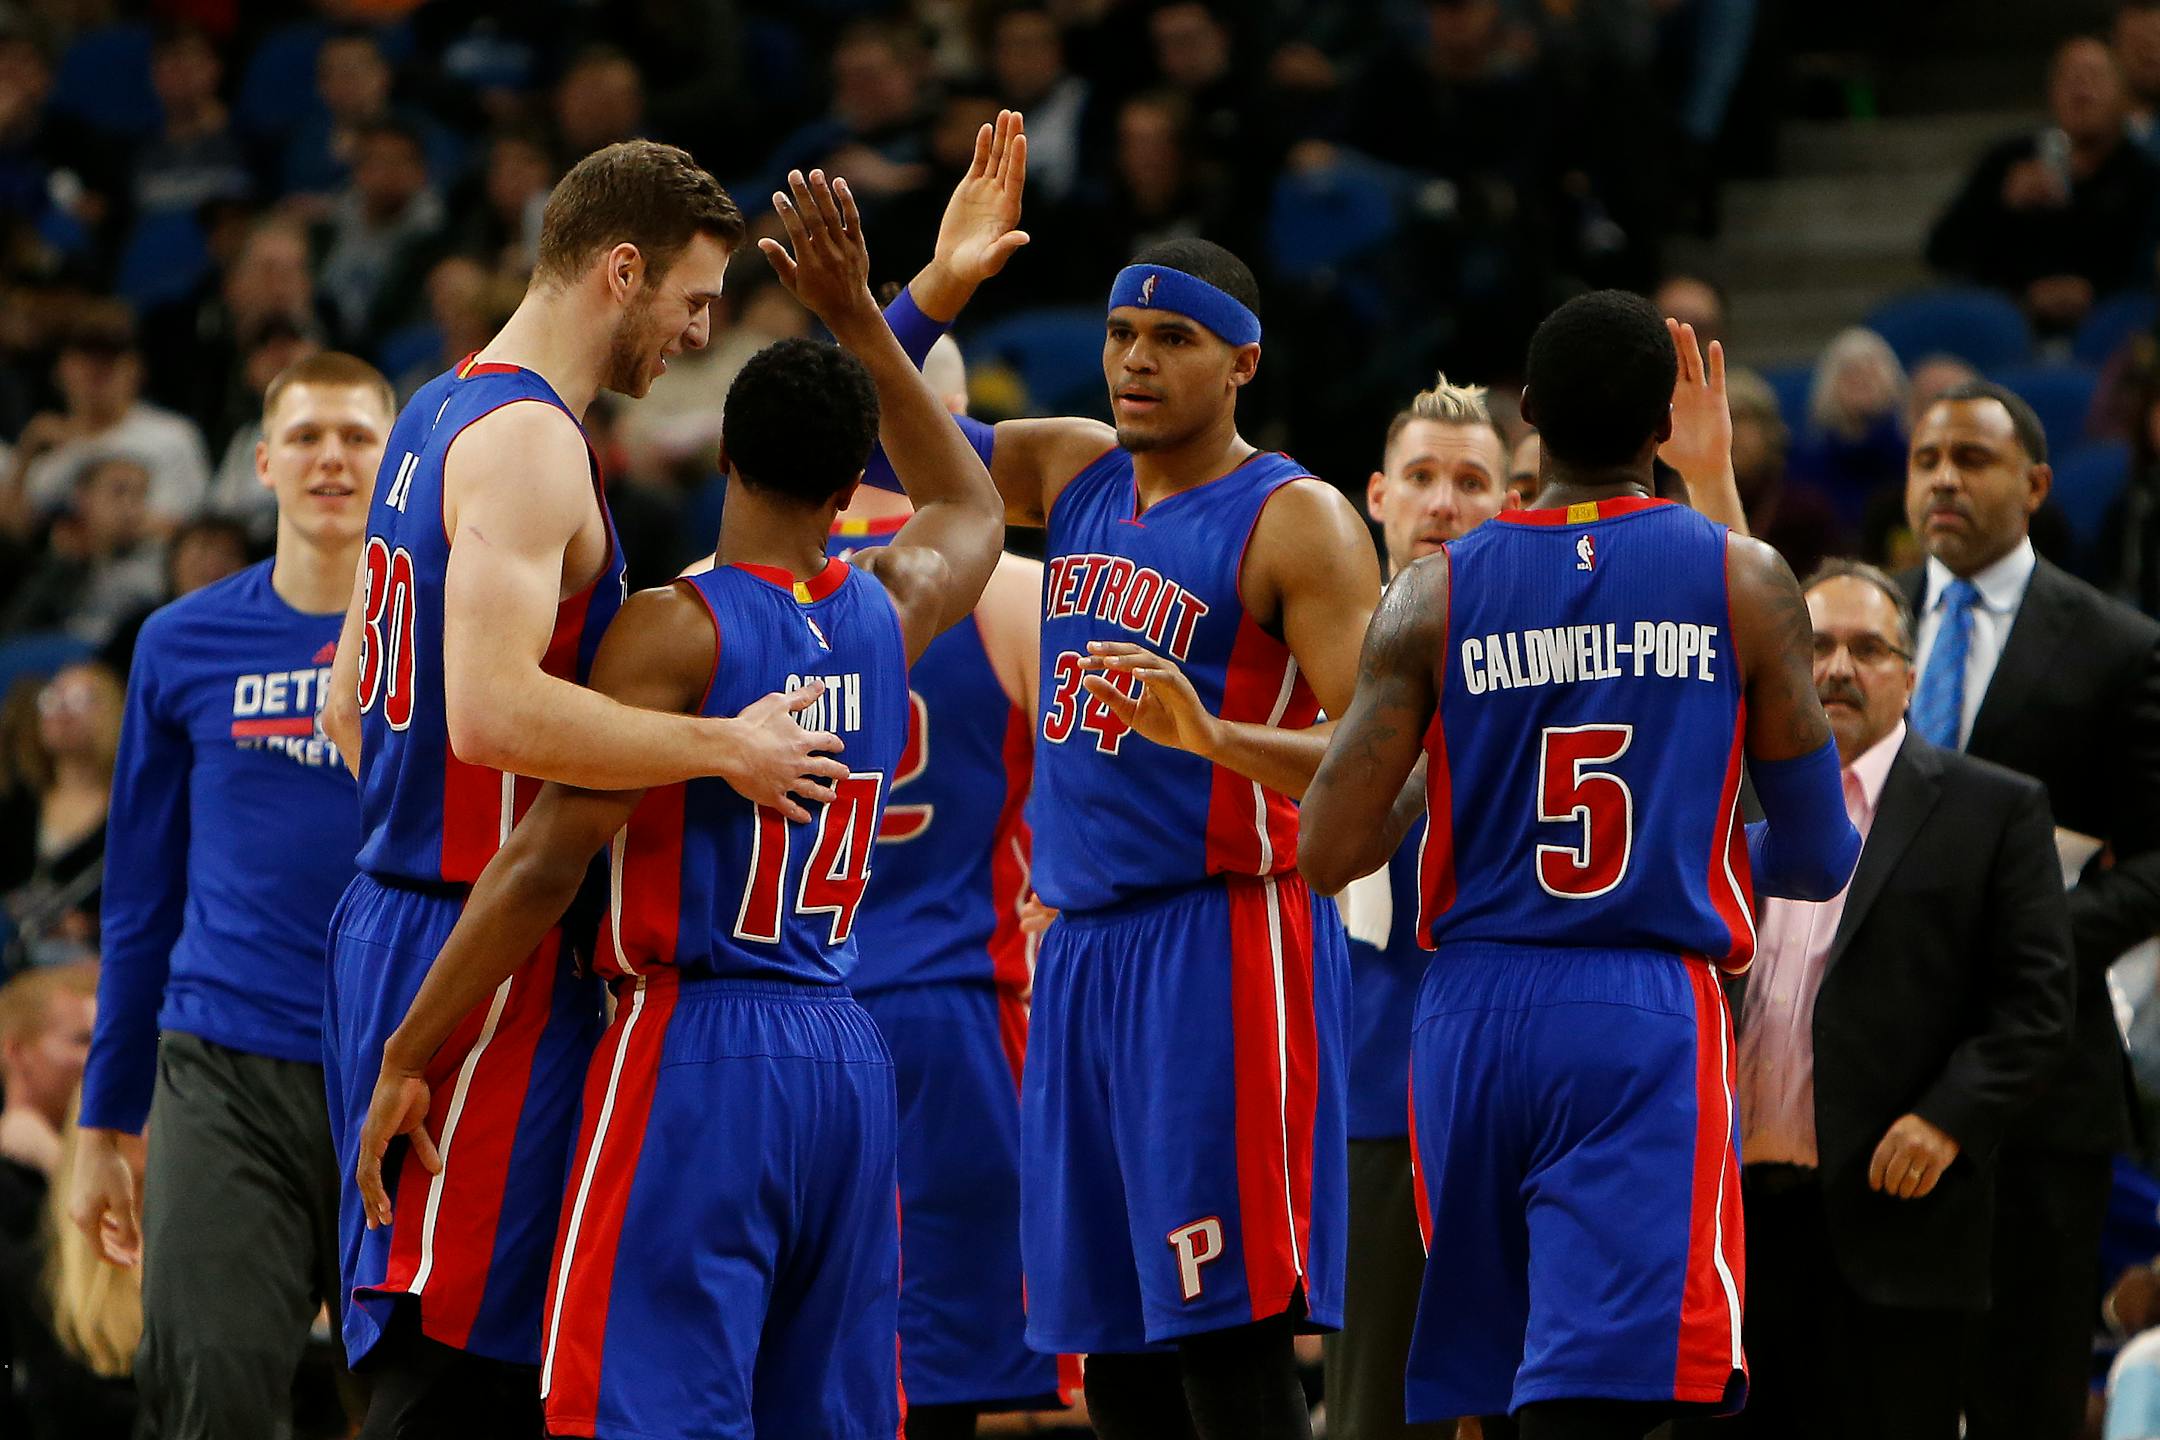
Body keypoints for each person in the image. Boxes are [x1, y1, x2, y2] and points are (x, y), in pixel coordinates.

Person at [352, 164, 1005, 1440]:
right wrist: (868, 315)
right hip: (845, 1049)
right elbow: (968, 499)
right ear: (850, 489)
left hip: (692, 1050)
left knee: (643, 1410)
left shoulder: (670, 632)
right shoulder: (895, 610)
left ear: (726, 456)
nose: (698, 328)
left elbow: (543, 860)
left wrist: (408, 1048)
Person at [878, 110, 1382, 1439]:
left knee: (1226, 1336)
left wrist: (1215, 737)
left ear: (1243, 363)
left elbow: (1386, 760)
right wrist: (937, 287)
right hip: (1083, 951)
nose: (1137, 361)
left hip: (1226, 942)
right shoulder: (1075, 470)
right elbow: (867, 445)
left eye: (1173, 340)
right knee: (1116, 1357)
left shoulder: (1301, 521)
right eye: (1120, 335)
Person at [1300, 290, 1862, 1440]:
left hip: (1468, 1014)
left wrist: (1463, 773)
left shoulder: (1432, 592)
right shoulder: (1747, 581)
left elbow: (1328, 849)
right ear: (1664, 427)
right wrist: (1694, 851)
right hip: (1638, 1011)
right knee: (1606, 1396)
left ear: (1531, 420)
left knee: (1486, 1395)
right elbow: (1818, 856)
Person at [66, 352, 392, 1440]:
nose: (331, 458)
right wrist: (104, 1121)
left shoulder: (452, 639)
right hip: (224, 1068)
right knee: (211, 1395)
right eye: (306, 437)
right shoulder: (179, 642)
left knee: (424, 1407)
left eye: (357, 437)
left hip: (407, 1070)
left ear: (395, 464)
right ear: (262, 463)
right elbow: (138, 903)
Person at [1697, 561, 2074, 1440]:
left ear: (1910, 675)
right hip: (1728, 1223)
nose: (1837, 668)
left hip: (1895, 1225)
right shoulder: (1716, 795)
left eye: (1867, 649)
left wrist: (1948, 1119)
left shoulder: (1992, 809)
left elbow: (2037, 1007)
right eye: (1815, 646)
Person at [809, 125, 1060, 1440]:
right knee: (963, 1388)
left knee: (811, 1374)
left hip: (788, 1003)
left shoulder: (737, 585)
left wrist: (914, 295)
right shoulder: (1013, 586)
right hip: (957, 1006)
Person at [1897, 380, 2160, 1440]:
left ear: (2038, 484)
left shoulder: (2115, 643)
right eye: (1926, 460)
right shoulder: (1861, 626)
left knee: (2028, 1397)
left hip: (2044, 1079)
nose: (1944, 480)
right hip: (1877, 1072)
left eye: (1973, 458)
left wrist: (2031, 940)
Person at [1326, 375, 1519, 1440]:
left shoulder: (1548, 659)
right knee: (1375, 1413)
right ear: (1377, 494)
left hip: (1517, 1074)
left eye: (1472, 481)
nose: (1445, 501)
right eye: (1424, 477)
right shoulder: (1316, 647)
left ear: (1514, 500)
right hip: (1370, 1084)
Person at [1927, 36, 2160, 333]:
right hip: (2011, 324)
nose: (2081, 88)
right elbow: (1941, 251)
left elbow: (2146, 267)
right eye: (2070, 78)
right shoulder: (2008, 161)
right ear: (2051, 93)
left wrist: (2094, 292)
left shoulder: (2145, 175)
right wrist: (2000, 204)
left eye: (2094, 76)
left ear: (2124, 96)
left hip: (2112, 329)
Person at [1, 663, 123, 971]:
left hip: (94, 963)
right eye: (52, 698)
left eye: (79, 699)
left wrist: (89, 925)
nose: (62, 711)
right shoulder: (16, 803)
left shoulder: (132, 813)